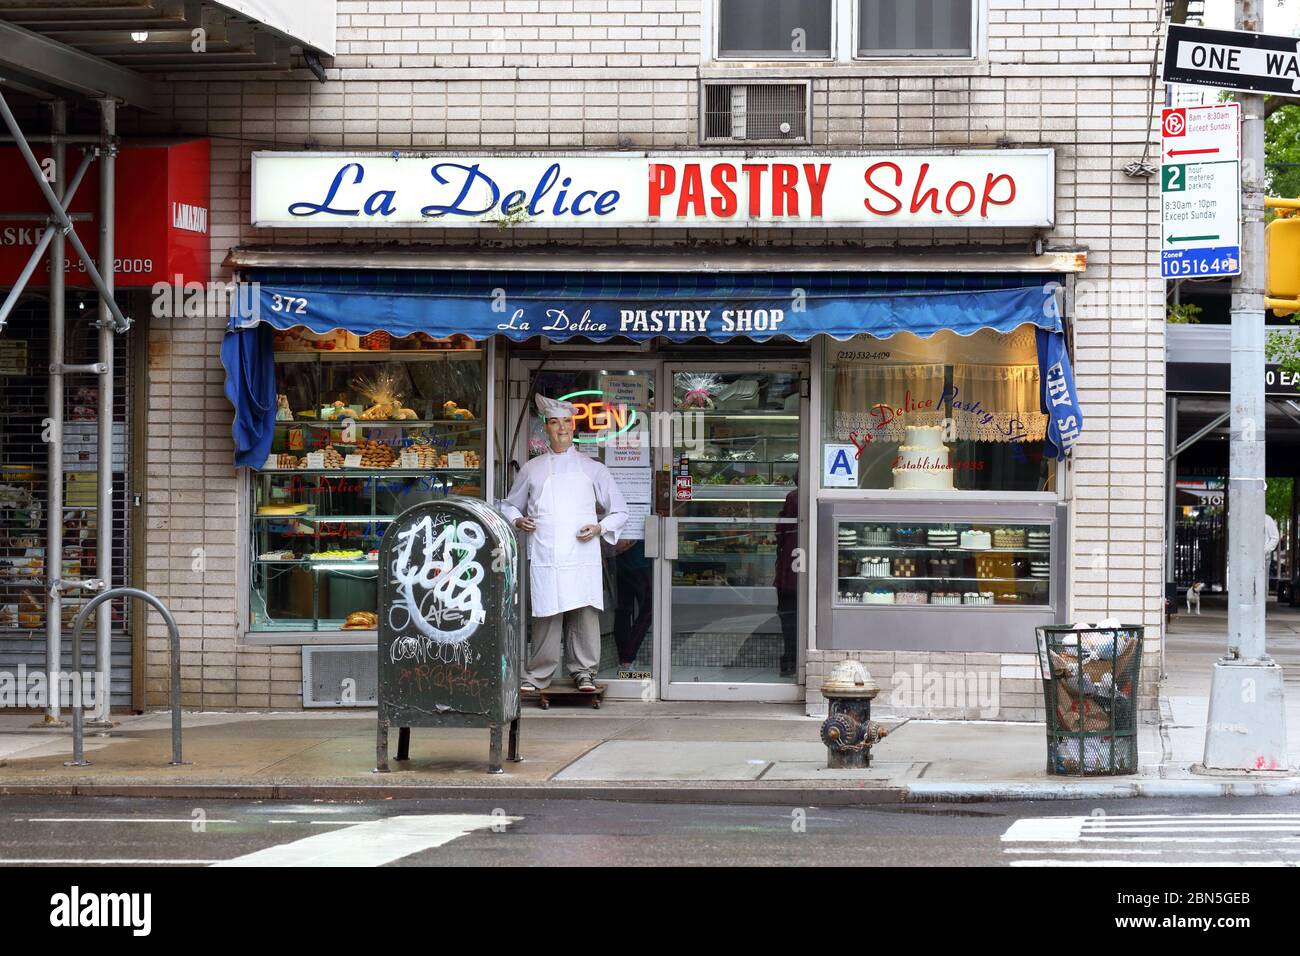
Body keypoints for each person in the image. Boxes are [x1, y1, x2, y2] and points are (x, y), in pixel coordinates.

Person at [500, 394, 629, 692]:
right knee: (546, 614)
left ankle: (584, 672)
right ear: (545, 427)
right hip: (546, 553)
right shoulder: (532, 469)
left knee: (584, 613)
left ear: (574, 426)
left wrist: (599, 527)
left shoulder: (593, 468)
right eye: (555, 422)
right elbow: (509, 505)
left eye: (567, 422)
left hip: (582, 554)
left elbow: (620, 510)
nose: (561, 428)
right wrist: (519, 521)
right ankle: (538, 674)